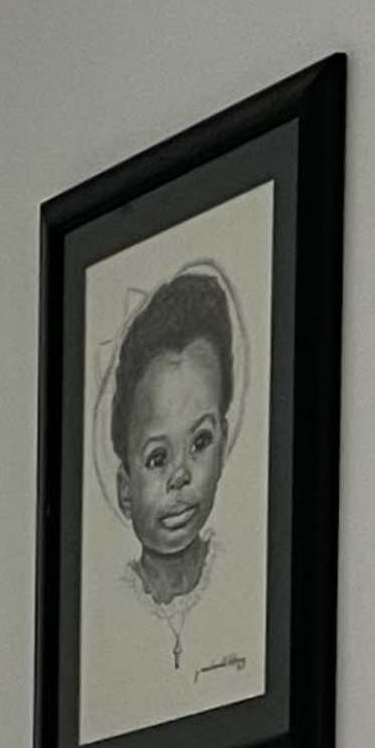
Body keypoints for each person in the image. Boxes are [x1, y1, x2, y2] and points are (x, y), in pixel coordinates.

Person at [99, 261, 240, 623]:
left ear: (223, 445)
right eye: (158, 458)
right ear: (125, 490)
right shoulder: (110, 611)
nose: (180, 475)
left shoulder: (239, 582)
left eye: (200, 442)